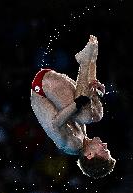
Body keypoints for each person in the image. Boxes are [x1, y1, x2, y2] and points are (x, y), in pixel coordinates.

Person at [30, 35, 116, 179]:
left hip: (42, 88)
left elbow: (56, 123)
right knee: (97, 114)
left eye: (103, 151)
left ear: (89, 155)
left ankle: (84, 61)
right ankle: (91, 59)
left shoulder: (71, 145)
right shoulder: (82, 138)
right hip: (53, 88)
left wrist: (79, 102)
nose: (105, 145)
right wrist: (95, 93)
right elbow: (84, 98)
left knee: (85, 115)